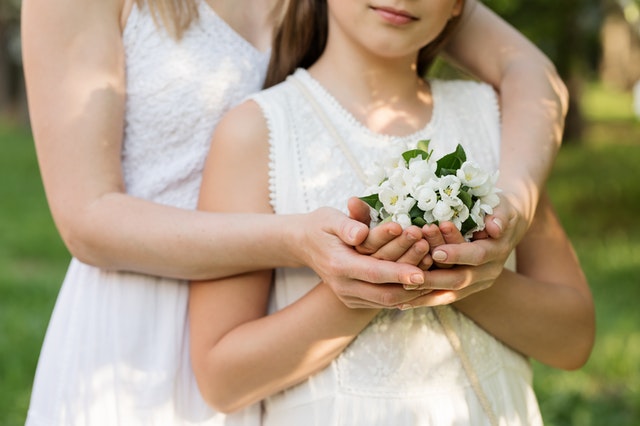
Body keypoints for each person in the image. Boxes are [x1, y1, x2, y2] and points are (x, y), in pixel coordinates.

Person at [21, 0, 568, 424]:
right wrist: (302, 243)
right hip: (139, 328)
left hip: (284, 321)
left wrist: (511, 209)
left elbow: (531, 72)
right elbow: (86, 219)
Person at [188, 0, 595, 424]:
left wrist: (465, 270)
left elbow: (574, 338)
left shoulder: (499, 121)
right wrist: (371, 283)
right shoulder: (258, 132)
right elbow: (222, 380)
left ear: (459, 5)